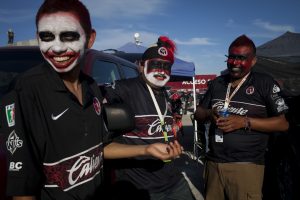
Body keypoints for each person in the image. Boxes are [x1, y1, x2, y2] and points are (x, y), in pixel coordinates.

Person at [0, 0, 182, 199]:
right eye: (47, 36)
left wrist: (147, 149)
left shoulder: (92, 87)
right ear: (38, 38)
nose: (58, 47)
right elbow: (22, 189)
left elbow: (99, 149)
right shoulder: (25, 91)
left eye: (69, 36)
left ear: (89, 39)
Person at [194, 34, 289, 200]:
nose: (235, 63)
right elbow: (198, 114)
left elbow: (282, 124)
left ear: (253, 61)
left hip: (246, 166)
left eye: (241, 58)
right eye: (231, 57)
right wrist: (210, 113)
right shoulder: (217, 83)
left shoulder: (264, 83)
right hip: (214, 164)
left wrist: (244, 122)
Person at [104, 36, 194, 200]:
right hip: (140, 188)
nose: (161, 70)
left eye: (166, 66)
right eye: (156, 64)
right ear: (140, 65)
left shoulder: (164, 93)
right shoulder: (124, 89)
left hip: (173, 179)